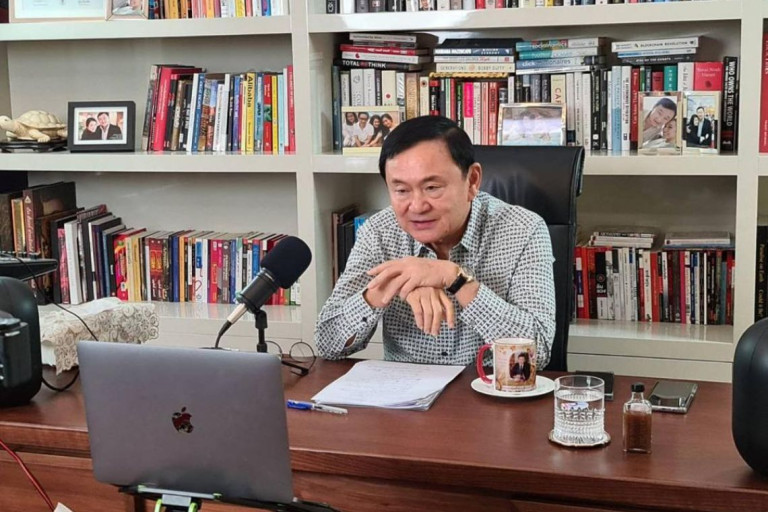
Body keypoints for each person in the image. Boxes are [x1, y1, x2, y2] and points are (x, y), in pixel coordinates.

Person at [314, 115, 556, 367]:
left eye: (432, 188)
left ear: (472, 181)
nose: (417, 206)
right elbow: (326, 343)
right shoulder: (379, 231)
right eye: (401, 190)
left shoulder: (523, 229)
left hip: (489, 387)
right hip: (404, 389)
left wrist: (454, 279)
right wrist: (392, 284)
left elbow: (537, 353)